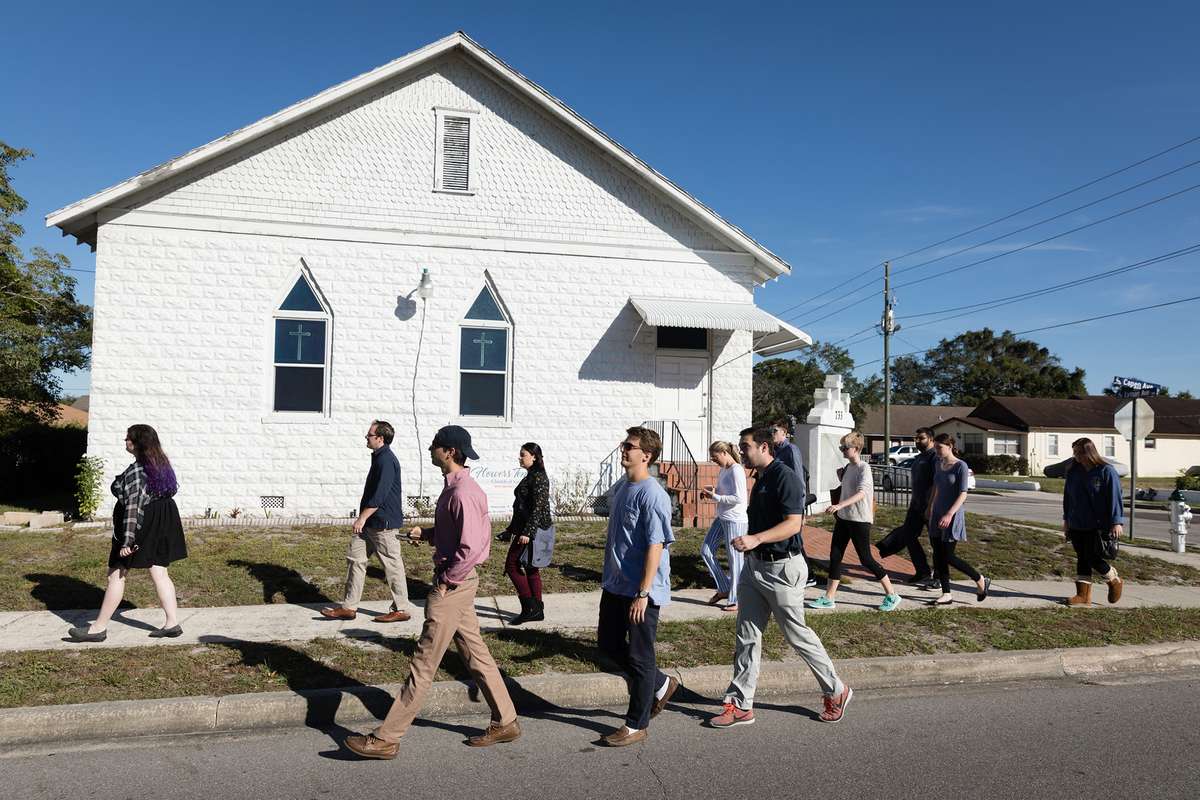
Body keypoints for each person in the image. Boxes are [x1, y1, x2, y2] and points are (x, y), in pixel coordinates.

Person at [343, 425, 520, 759]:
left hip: (453, 586)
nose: (430, 450)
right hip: (460, 585)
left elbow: (471, 547)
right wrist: (427, 534)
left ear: (449, 451)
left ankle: (387, 738)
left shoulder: (463, 492)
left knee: (423, 664)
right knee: (476, 655)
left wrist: (447, 582)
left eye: (435, 446)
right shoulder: (458, 488)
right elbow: (458, 533)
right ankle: (506, 720)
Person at [708, 426, 851, 729]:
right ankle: (740, 704)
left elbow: (792, 524)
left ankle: (836, 690)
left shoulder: (784, 476)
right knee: (746, 636)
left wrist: (756, 538)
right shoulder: (759, 477)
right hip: (755, 567)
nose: (741, 451)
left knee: (796, 635)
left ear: (763, 447)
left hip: (782, 568)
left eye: (745, 446)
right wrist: (753, 545)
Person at [596, 426, 680, 747]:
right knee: (608, 647)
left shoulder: (652, 493)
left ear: (646, 455)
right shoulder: (622, 487)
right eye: (624, 445)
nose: (623, 450)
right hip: (615, 585)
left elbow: (655, 545)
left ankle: (636, 724)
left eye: (629, 446)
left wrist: (643, 593)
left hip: (640, 591)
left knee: (640, 657)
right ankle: (661, 685)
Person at [68, 425, 187, 642]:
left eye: (128, 439)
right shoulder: (160, 464)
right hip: (164, 520)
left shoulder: (137, 471)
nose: (125, 441)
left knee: (117, 573)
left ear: (138, 443)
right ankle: (172, 623)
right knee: (159, 571)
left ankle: (98, 628)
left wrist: (127, 541)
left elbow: (133, 507)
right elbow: (171, 490)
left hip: (142, 524)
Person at [321, 421, 411, 623]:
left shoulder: (386, 460)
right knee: (355, 560)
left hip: (383, 524)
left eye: (369, 435)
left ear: (380, 438)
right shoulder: (379, 458)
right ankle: (349, 607)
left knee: (392, 566)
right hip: (370, 523)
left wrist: (362, 518)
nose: (366, 437)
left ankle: (402, 609)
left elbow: (380, 495)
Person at [808, 431, 901, 611]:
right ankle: (829, 597)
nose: (842, 450)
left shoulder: (863, 468)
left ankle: (892, 594)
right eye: (841, 447)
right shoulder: (849, 468)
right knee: (835, 556)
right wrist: (841, 479)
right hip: (844, 519)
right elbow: (849, 489)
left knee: (865, 559)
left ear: (857, 448)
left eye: (846, 447)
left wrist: (839, 505)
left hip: (859, 519)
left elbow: (862, 493)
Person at [926, 433, 990, 606]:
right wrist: (930, 507)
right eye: (935, 447)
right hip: (936, 515)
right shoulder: (939, 464)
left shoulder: (961, 466)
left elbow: (963, 493)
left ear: (950, 446)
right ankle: (946, 593)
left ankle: (980, 579)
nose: (937, 451)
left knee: (948, 556)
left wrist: (949, 514)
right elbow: (936, 488)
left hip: (952, 516)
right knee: (939, 556)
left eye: (939, 447)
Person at [1062, 437, 1125, 606]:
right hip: (1076, 522)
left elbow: (1115, 496)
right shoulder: (1074, 471)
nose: (1076, 456)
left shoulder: (1105, 471)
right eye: (1074, 452)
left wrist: (1116, 521)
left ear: (1089, 452)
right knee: (1082, 557)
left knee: (1091, 556)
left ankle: (1113, 579)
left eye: (1079, 452)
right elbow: (1068, 497)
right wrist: (1066, 519)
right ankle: (1083, 596)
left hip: (1097, 524)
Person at [877, 427, 937, 588]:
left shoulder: (935, 457)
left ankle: (938, 578)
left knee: (936, 542)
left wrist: (930, 506)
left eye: (921, 438)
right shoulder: (918, 458)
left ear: (931, 438)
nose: (917, 441)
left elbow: (938, 484)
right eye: (916, 438)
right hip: (915, 506)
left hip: (931, 507)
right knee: (909, 536)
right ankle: (922, 571)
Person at [501, 442, 552, 624]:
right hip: (525, 529)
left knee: (512, 566)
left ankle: (530, 608)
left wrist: (528, 533)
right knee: (531, 567)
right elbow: (521, 507)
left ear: (534, 457)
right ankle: (537, 609)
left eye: (523, 454)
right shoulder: (532, 475)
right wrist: (509, 531)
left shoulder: (538, 477)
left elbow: (538, 508)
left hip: (533, 530)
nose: (520, 457)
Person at [699, 441, 748, 612]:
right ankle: (724, 588)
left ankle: (737, 598)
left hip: (735, 520)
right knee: (706, 550)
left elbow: (739, 498)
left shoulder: (737, 470)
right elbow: (724, 492)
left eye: (715, 457)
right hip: (722, 518)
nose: (713, 460)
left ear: (724, 452)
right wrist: (712, 492)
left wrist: (716, 497)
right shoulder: (724, 470)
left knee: (735, 560)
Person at [770, 418, 818, 587]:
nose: (772, 434)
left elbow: (799, 477)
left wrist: (801, 507)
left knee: (793, 538)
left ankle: (809, 575)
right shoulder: (775, 450)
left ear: (784, 432)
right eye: (771, 431)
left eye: (775, 431)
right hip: (780, 500)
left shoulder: (791, 450)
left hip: (793, 502)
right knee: (789, 537)